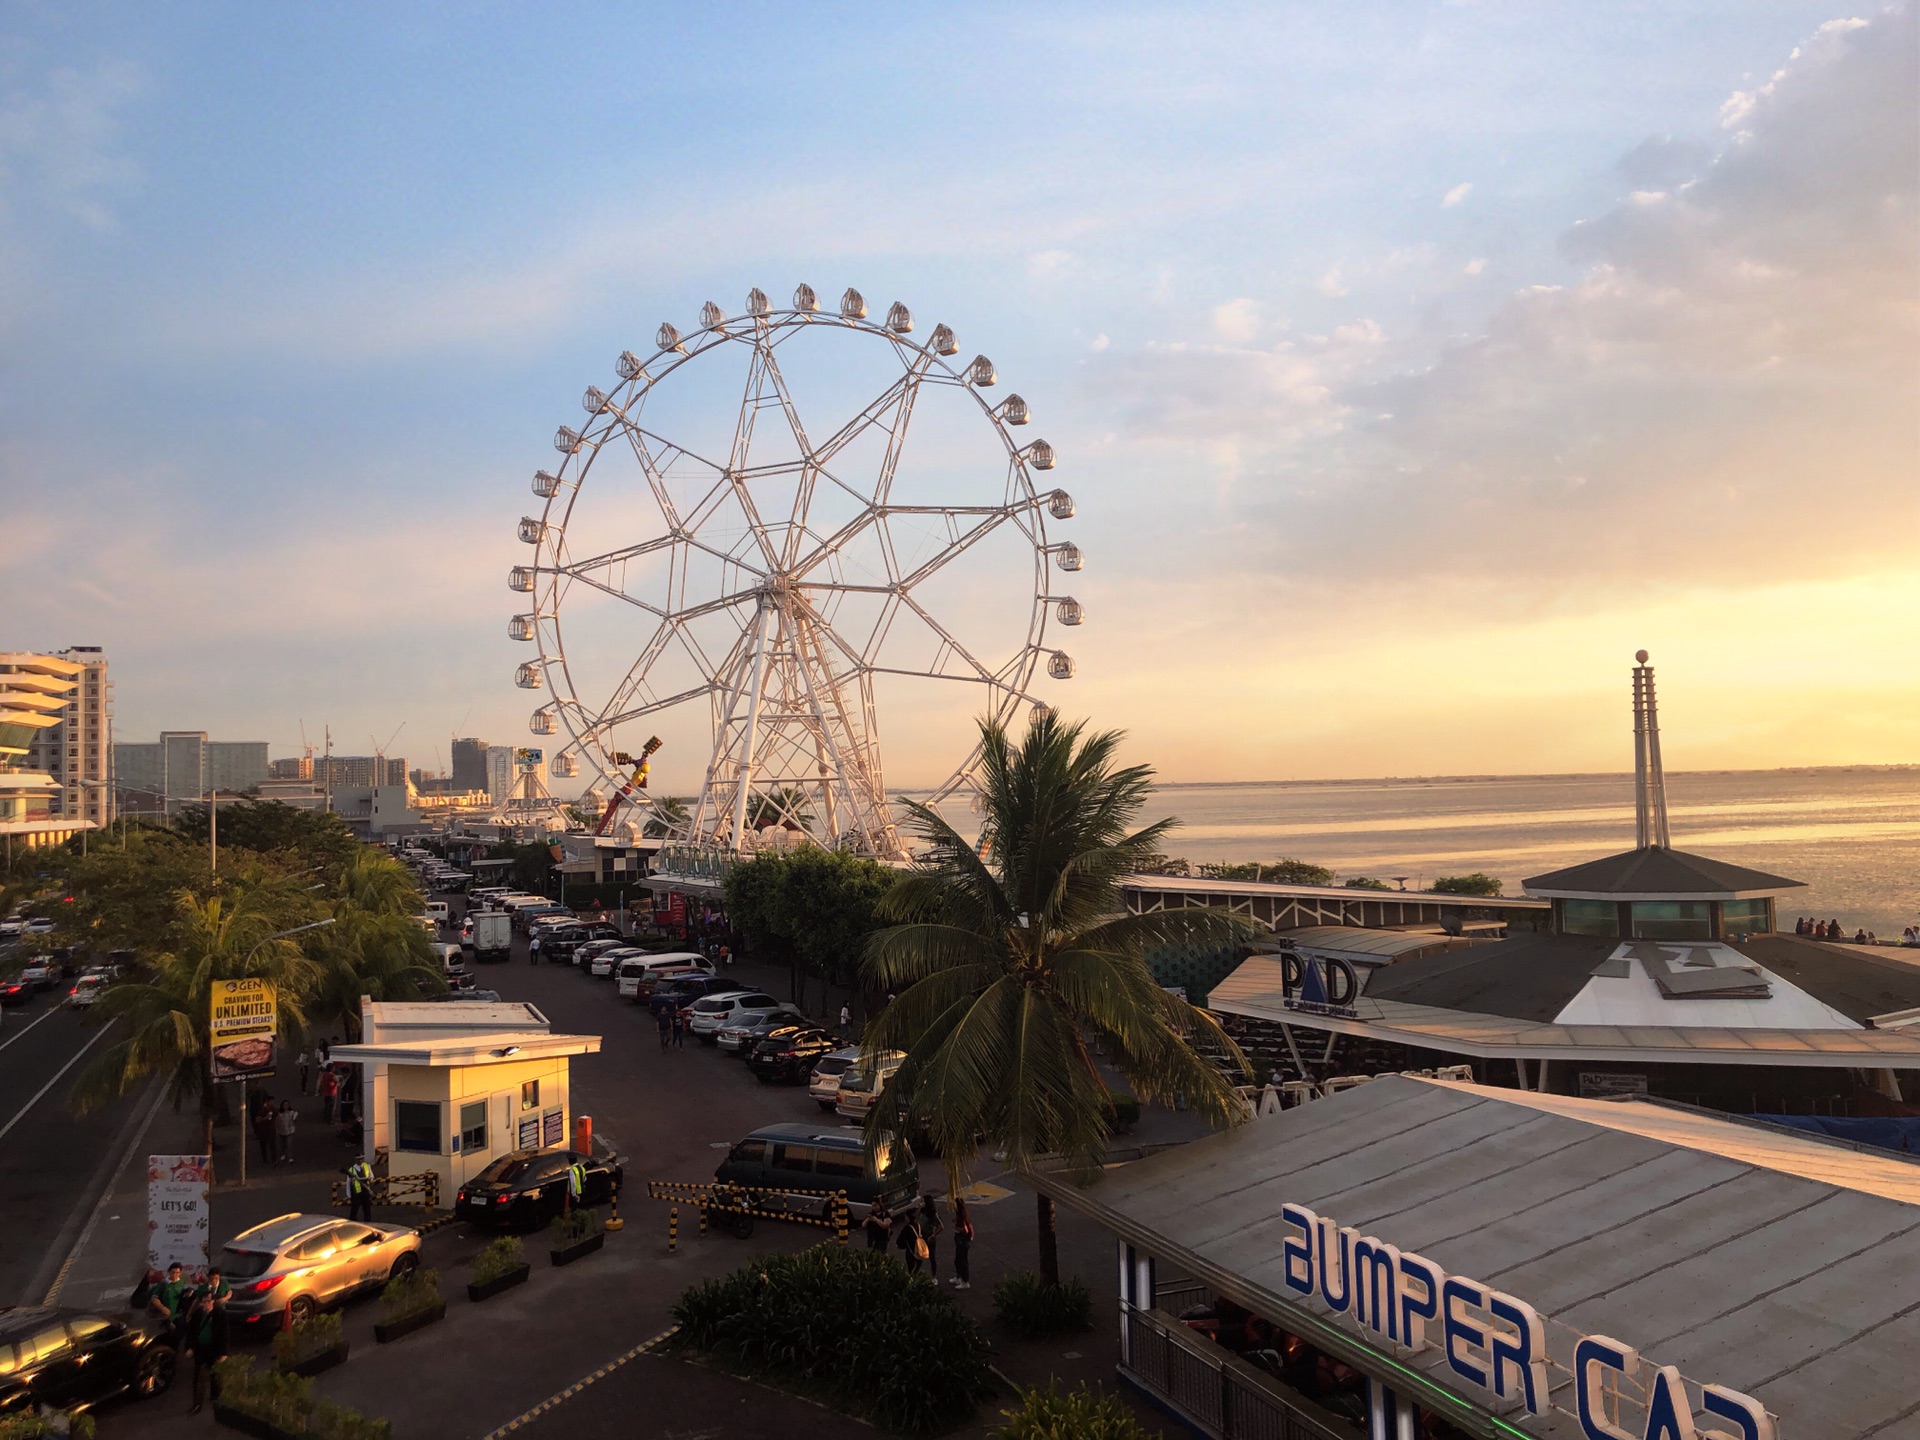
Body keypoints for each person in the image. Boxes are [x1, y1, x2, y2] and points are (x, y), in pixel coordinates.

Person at [185, 1276, 230, 1413]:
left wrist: (223, 1353)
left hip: (214, 1351)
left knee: (216, 1377)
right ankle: (197, 1404)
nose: (205, 1304)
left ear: (213, 1301)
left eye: (208, 1301)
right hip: (201, 1350)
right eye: (203, 1302)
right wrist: (190, 1348)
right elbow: (191, 1333)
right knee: (198, 1379)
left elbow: (224, 1335)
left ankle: (217, 1399)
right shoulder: (198, 1314)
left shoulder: (220, 1315)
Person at [147, 1262, 190, 1345]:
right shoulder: (164, 1284)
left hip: (177, 1314)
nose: (175, 1275)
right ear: (169, 1272)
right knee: (167, 1335)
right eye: (173, 1272)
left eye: (177, 1273)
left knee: (182, 1329)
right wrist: (162, 1308)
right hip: (165, 1315)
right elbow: (154, 1298)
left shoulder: (181, 1283)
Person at [917, 1193, 944, 1282]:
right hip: (921, 1235)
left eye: (923, 1201)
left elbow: (941, 1226)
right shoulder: (922, 1211)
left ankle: (934, 1276)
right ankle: (917, 1272)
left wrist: (933, 1235)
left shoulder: (932, 1214)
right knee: (919, 1255)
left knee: (932, 1256)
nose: (921, 1203)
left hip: (929, 1235)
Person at [949, 1195, 973, 1290]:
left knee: (962, 1261)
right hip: (961, 1241)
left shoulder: (961, 1218)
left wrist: (955, 1227)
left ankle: (965, 1281)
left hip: (961, 1242)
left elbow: (965, 1230)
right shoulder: (962, 1215)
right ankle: (958, 1277)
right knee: (958, 1260)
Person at [894, 1209, 925, 1275]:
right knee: (917, 1268)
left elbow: (900, 1240)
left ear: (907, 1217)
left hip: (911, 1252)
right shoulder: (919, 1226)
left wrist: (900, 1245)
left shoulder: (907, 1228)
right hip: (920, 1251)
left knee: (911, 1269)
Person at [346, 1155, 375, 1222]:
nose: (360, 1161)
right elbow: (348, 1183)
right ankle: (352, 1224)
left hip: (366, 1191)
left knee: (367, 1210)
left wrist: (369, 1179)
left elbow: (372, 1176)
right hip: (356, 1193)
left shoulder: (367, 1166)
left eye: (361, 1159)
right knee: (354, 1211)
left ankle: (368, 1224)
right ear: (355, 1160)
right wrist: (349, 1195)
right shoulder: (351, 1170)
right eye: (358, 1159)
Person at [252, 1096, 278, 1168]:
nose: (272, 1103)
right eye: (271, 1102)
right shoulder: (261, 1110)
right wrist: (265, 1118)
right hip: (263, 1130)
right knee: (263, 1144)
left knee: (272, 1145)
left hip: (271, 1130)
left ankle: (274, 1159)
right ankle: (265, 1158)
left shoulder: (273, 1109)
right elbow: (257, 1120)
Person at [276, 1100, 297, 1165]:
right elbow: (277, 1121)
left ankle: (290, 1157)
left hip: (290, 1130)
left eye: (287, 1105)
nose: (286, 1106)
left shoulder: (291, 1113)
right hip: (281, 1131)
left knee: (289, 1144)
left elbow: (294, 1118)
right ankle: (282, 1154)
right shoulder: (279, 1114)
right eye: (285, 1105)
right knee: (282, 1144)